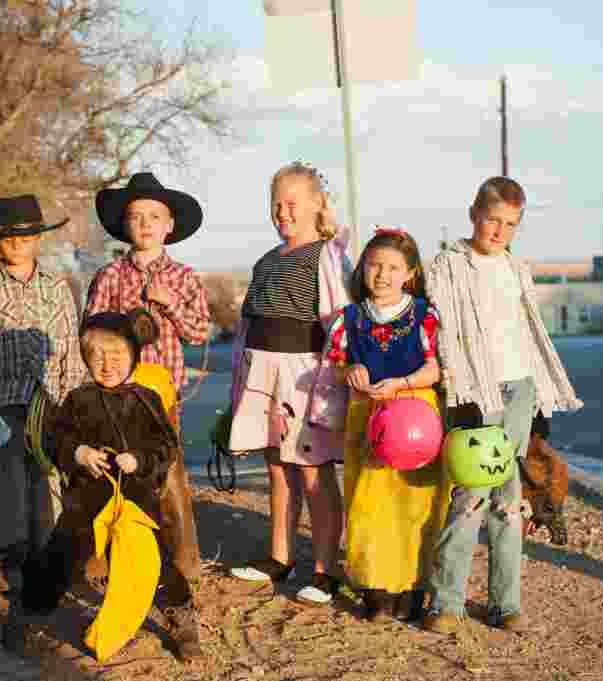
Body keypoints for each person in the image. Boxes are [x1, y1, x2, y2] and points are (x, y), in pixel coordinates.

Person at [423, 177, 583, 633]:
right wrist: (461, 399)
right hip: (477, 391)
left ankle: (504, 603)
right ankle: (447, 602)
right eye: (493, 219)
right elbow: (445, 336)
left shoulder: (517, 269)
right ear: (474, 212)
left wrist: (538, 410)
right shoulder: (448, 266)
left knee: (510, 501)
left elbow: (528, 336)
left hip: (520, 388)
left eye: (510, 224)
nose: (498, 231)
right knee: (470, 496)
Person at [15, 309, 202, 661]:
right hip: (88, 496)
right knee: (62, 553)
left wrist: (140, 459)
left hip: (136, 498)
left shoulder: (146, 398)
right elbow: (57, 440)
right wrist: (79, 452)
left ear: (133, 355)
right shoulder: (78, 399)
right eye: (96, 356)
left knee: (154, 560)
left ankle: (181, 616)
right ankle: (28, 615)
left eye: (116, 356)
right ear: (85, 359)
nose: (107, 364)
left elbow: (166, 446)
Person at [228, 161, 352, 605]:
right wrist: (239, 390)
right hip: (261, 375)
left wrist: (333, 386)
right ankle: (279, 556)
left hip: (305, 379)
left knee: (313, 472)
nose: (283, 212)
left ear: (316, 205)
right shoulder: (265, 261)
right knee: (278, 471)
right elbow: (247, 329)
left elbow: (339, 324)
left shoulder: (327, 255)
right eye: (275, 204)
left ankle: (325, 569)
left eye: (292, 203)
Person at [86, 172, 210, 581]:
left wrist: (169, 303)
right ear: (125, 224)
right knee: (113, 478)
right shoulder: (109, 277)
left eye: (154, 216)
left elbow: (198, 332)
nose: (145, 224)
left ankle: (183, 567)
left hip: (161, 398)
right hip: (115, 395)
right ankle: (110, 565)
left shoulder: (185, 278)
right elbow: (90, 336)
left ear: (169, 225)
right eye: (136, 216)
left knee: (169, 479)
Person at [0, 195, 88, 593]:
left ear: (39, 239)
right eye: (7, 237)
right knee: (10, 485)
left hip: (49, 402)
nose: (17, 243)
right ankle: (9, 559)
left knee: (46, 483)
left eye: (26, 235)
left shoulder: (57, 290)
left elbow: (69, 349)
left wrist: (70, 404)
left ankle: (45, 560)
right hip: (4, 403)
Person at [325, 228, 450, 622]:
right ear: (362, 269)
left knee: (418, 502)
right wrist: (352, 370)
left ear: (409, 273)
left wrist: (403, 383)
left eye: (393, 267)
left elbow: (435, 368)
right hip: (368, 416)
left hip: (416, 413)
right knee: (368, 502)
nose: (382, 274)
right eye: (375, 265)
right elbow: (337, 363)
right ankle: (375, 586)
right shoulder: (348, 319)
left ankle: (413, 586)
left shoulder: (424, 316)